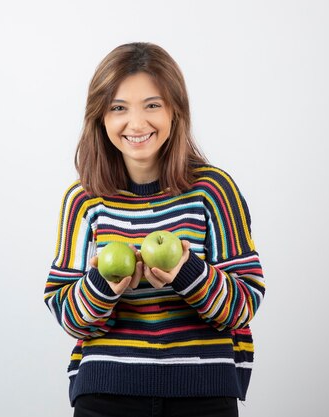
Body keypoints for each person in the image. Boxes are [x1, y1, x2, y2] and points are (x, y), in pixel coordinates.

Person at [43, 42, 266, 417]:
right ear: (100, 118)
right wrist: (103, 285)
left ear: (175, 111)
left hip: (203, 395)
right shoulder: (83, 200)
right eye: (118, 108)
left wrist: (185, 270)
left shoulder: (213, 191)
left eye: (152, 105)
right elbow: (67, 313)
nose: (137, 123)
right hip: (106, 393)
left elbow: (244, 305)